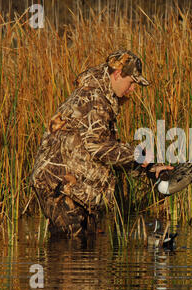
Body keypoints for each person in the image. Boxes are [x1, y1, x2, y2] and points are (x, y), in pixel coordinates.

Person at [30, 50, 172, 238]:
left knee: (85, 248)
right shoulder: (93, 99)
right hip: (59, 185)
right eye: (131, 83)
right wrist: (139, 155)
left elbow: (109, 151)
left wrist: (149, 167)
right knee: (69, 249)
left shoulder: (101, 99)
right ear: (117, 74)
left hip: (77, 188)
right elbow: (100, 148)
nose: (132, 90)